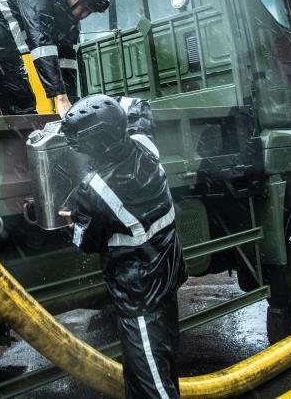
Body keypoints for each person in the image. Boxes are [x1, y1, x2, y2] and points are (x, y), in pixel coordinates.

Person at [59, 94, 186, 399]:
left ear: (94, 144)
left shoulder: (94, 189)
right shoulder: (144, 145)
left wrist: (73, 223)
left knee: (153, 387)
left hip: (138, 296)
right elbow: (140, 104)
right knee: (157, 373)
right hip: (165, 278)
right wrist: (109, 105)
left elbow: (85, 242)